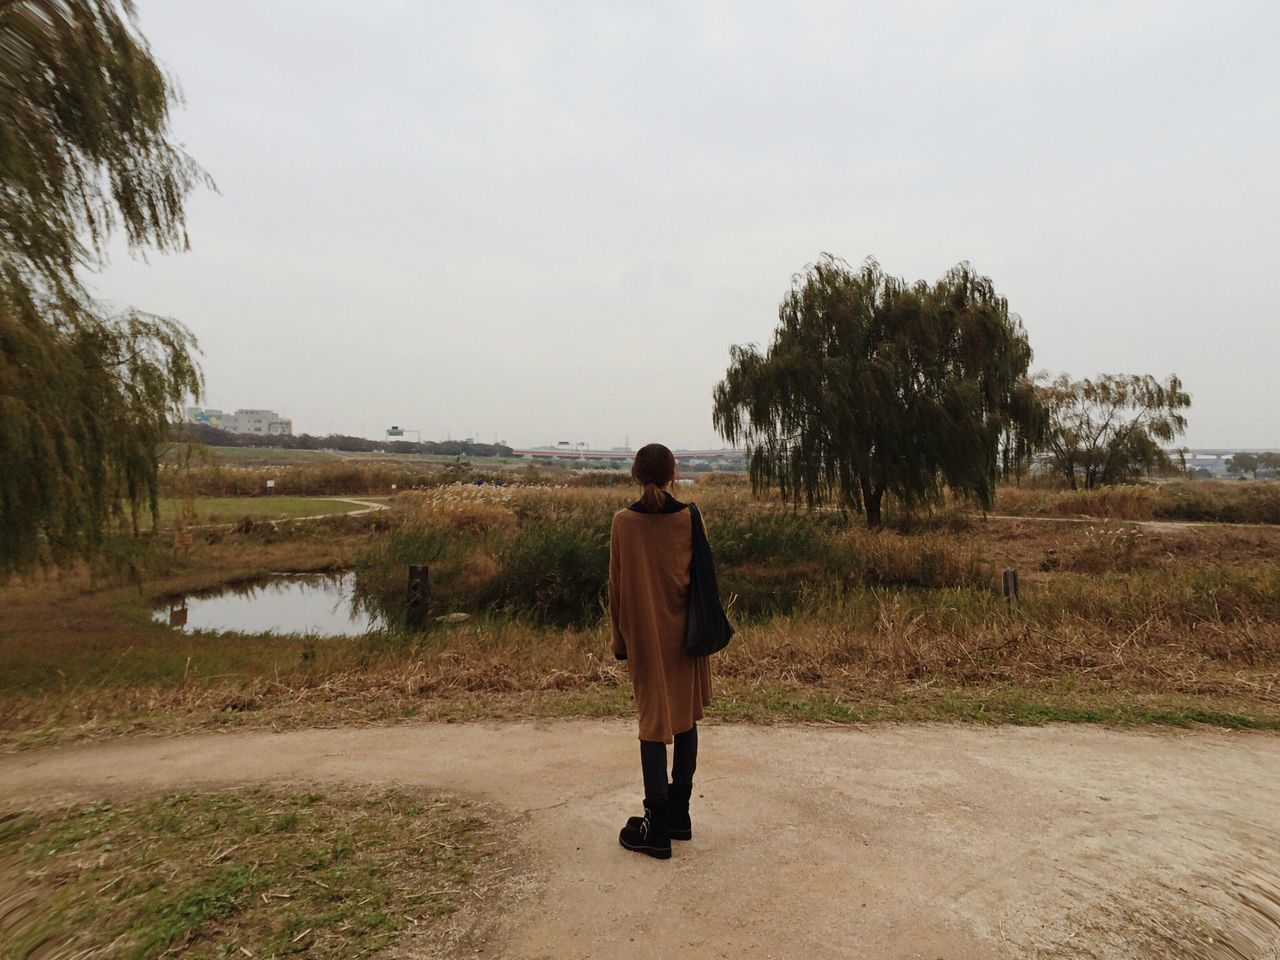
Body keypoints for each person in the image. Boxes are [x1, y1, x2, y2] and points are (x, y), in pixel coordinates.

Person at [609, 443, 712, 860]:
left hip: (647, 640)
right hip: (688, 638)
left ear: (635, 474)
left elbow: (617, 588)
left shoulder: (623, 523)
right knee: (684, 718)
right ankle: (678, 815)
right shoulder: (690, 518)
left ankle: (655, 827)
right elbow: (705, 577)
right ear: (673, 474)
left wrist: (620, 643)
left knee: (653, 726)